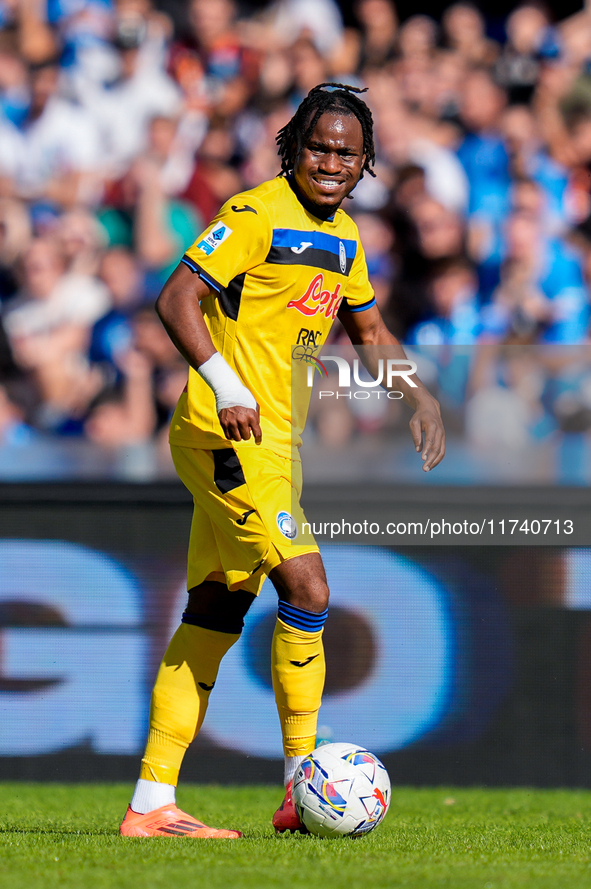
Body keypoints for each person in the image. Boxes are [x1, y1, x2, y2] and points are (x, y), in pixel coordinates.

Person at [119, 83, 445, 839]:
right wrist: (226, 384)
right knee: (307, 583)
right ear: (293, 145)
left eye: (346, 151)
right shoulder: (253, 213)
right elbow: (176, 300)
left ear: (365, 163)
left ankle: (150, 804)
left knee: (215, 610)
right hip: (225, 432)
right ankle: (303, 786)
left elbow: (367, 334)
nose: (330, 160)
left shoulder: (347, 241)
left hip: (275, 446)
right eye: (318, 145)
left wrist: (416, 398)